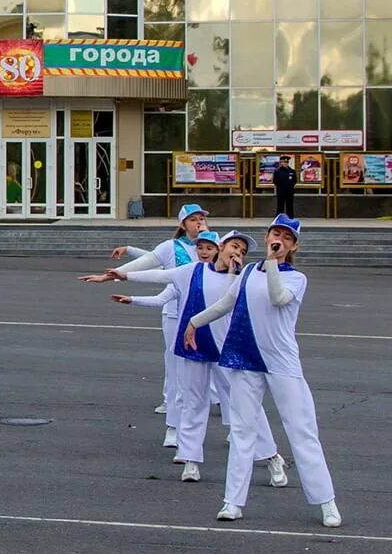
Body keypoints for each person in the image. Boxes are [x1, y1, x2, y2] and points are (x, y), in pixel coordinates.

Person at [100, 230, 288, 489]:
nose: (237, 253)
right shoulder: (191, 271)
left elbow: (229, 301)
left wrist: (235, 272)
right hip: (193, 346)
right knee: (193, 402)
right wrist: (123, 275)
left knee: (246, 405)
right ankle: (190, 460)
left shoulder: (244, 276)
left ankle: (271, 457)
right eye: (234, 246)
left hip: (227, 351)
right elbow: (161, 274)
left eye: (242, 251)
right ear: (221, 247)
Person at [185, 215, 341, 527]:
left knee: (302, 430)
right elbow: (225, 304)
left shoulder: (296, 278)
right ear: (267, 234)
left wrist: (271, 261)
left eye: (285, 237)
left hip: (281, 363)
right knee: (243, 431)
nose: (279, 239)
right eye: (275, 233)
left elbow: (277, 297)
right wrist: (194, 322)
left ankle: (326, 502)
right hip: (244, 359)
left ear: (293, 245)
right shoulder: (246, 274)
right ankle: (232, 502)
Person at [107, 203, 210, 445]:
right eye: (194, 219)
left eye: (202, 219)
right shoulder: (171, 247)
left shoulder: (213, 247)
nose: (199, 223)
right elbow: (150, 263)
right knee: (176, 370)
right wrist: (111, 275)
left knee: (218, 373)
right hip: (175, 313)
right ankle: (173, 427)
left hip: (207, 317)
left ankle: (231, 424)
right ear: (183, 224)